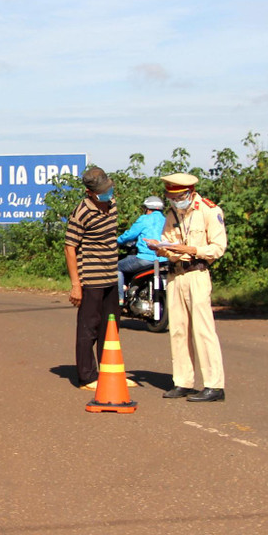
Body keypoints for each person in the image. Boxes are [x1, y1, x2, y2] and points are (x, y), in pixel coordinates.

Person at [146, 172, 228, 403]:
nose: (175, 201)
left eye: (179, 196)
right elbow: (169, 242)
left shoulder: (210, 211)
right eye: (171, 197)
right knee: (179, 330)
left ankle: (214, 385)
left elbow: (218, 247)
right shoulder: (172, 213)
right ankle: (183, 381)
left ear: (190, 193)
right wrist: (160, 248)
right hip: (175, 275)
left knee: (203, 331)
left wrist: (193, 250)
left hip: (197, 273)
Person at [64, 165, 124, 390]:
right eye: (102, 192)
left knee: (110, 327)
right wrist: (76, 285)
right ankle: (87, 376)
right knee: (89, 327)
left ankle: (109, 370)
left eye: (108, 190)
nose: (107, 195)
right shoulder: (82, 212)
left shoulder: (113, 205)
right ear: (90, 193)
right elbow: (70, 248)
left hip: (111, 275)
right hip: (90, 277)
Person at [116, 195, 167, 298]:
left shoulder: (144, 219)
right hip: (165, 258)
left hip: (146, 259)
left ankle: (120, 299)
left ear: (147, 209)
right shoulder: (166, 220)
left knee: (117, 267)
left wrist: (117, 241)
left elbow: (130, 235)